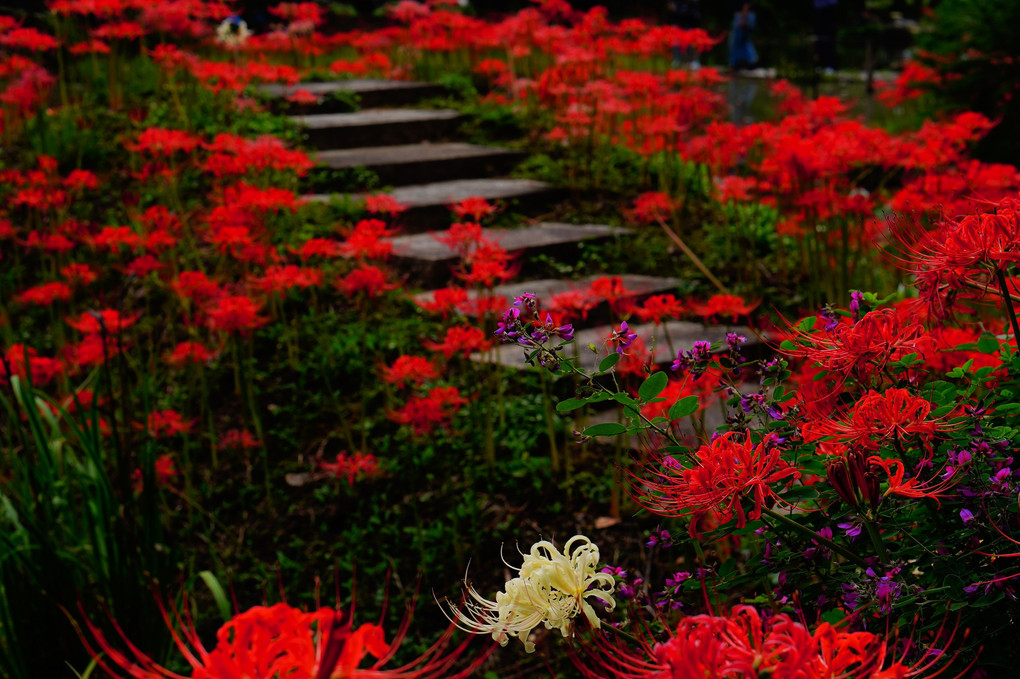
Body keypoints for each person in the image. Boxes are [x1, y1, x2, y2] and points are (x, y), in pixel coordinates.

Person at [667, 0, 701, 69]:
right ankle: (677, 60)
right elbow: (670, 5)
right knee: (676, 40)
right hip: (678, 19)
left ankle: (693, 61)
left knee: (692, 41)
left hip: (691, 20)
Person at [729, 2, 758, 72]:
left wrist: (745, 21)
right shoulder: (738, 15)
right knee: (736, 53)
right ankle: (736, 65)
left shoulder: (751, 16)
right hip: (738, 38)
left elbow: (750, 27)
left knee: (749, 52)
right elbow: (736, 27)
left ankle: (749, 64)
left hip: (745, 38)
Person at [814, 0, 838, 74]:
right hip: (819, 8)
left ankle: (829, 65)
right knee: (819, 39)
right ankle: (819, 65)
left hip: (830, 8)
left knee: (829, 39)